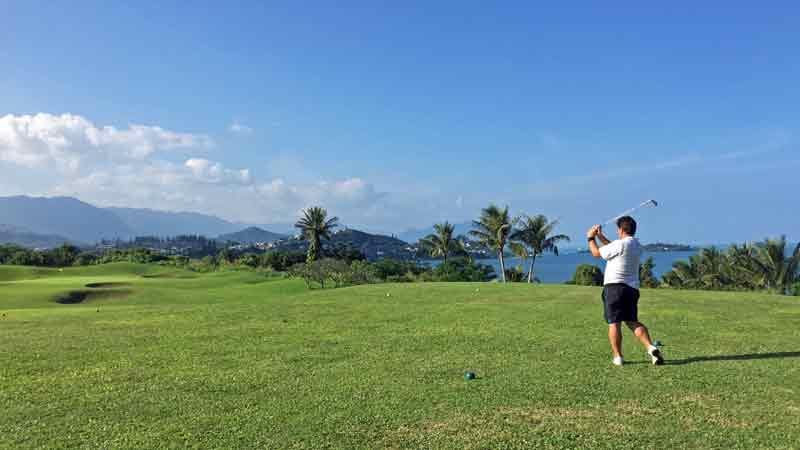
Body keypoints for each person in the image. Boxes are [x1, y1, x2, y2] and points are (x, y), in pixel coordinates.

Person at [587, 216, 664, 366]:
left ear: (621, 229)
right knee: (632, 321)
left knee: (614, 323)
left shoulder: (620, 245)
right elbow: (613, 247)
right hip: (631, 290)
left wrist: (591, 238)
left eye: (618, 229)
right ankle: (651, 347)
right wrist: (600, 236)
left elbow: (596, 253)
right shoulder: (636, 245)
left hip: (614, 288)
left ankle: (618, 357)